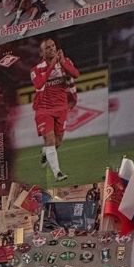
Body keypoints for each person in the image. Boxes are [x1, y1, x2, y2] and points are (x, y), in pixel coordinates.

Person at [30, 37, 79, 182]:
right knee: (50, 139)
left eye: (53, 46)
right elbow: (38, 84)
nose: (52, 49)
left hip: (61, 108)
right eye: (48, 48)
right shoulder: (36, 69)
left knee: (57, 142)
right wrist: (51, 66)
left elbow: (75, 74)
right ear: (42, 53)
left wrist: (62, 62)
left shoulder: (65, 61)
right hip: (43, 109)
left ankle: (45, 151)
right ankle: (57, 173)